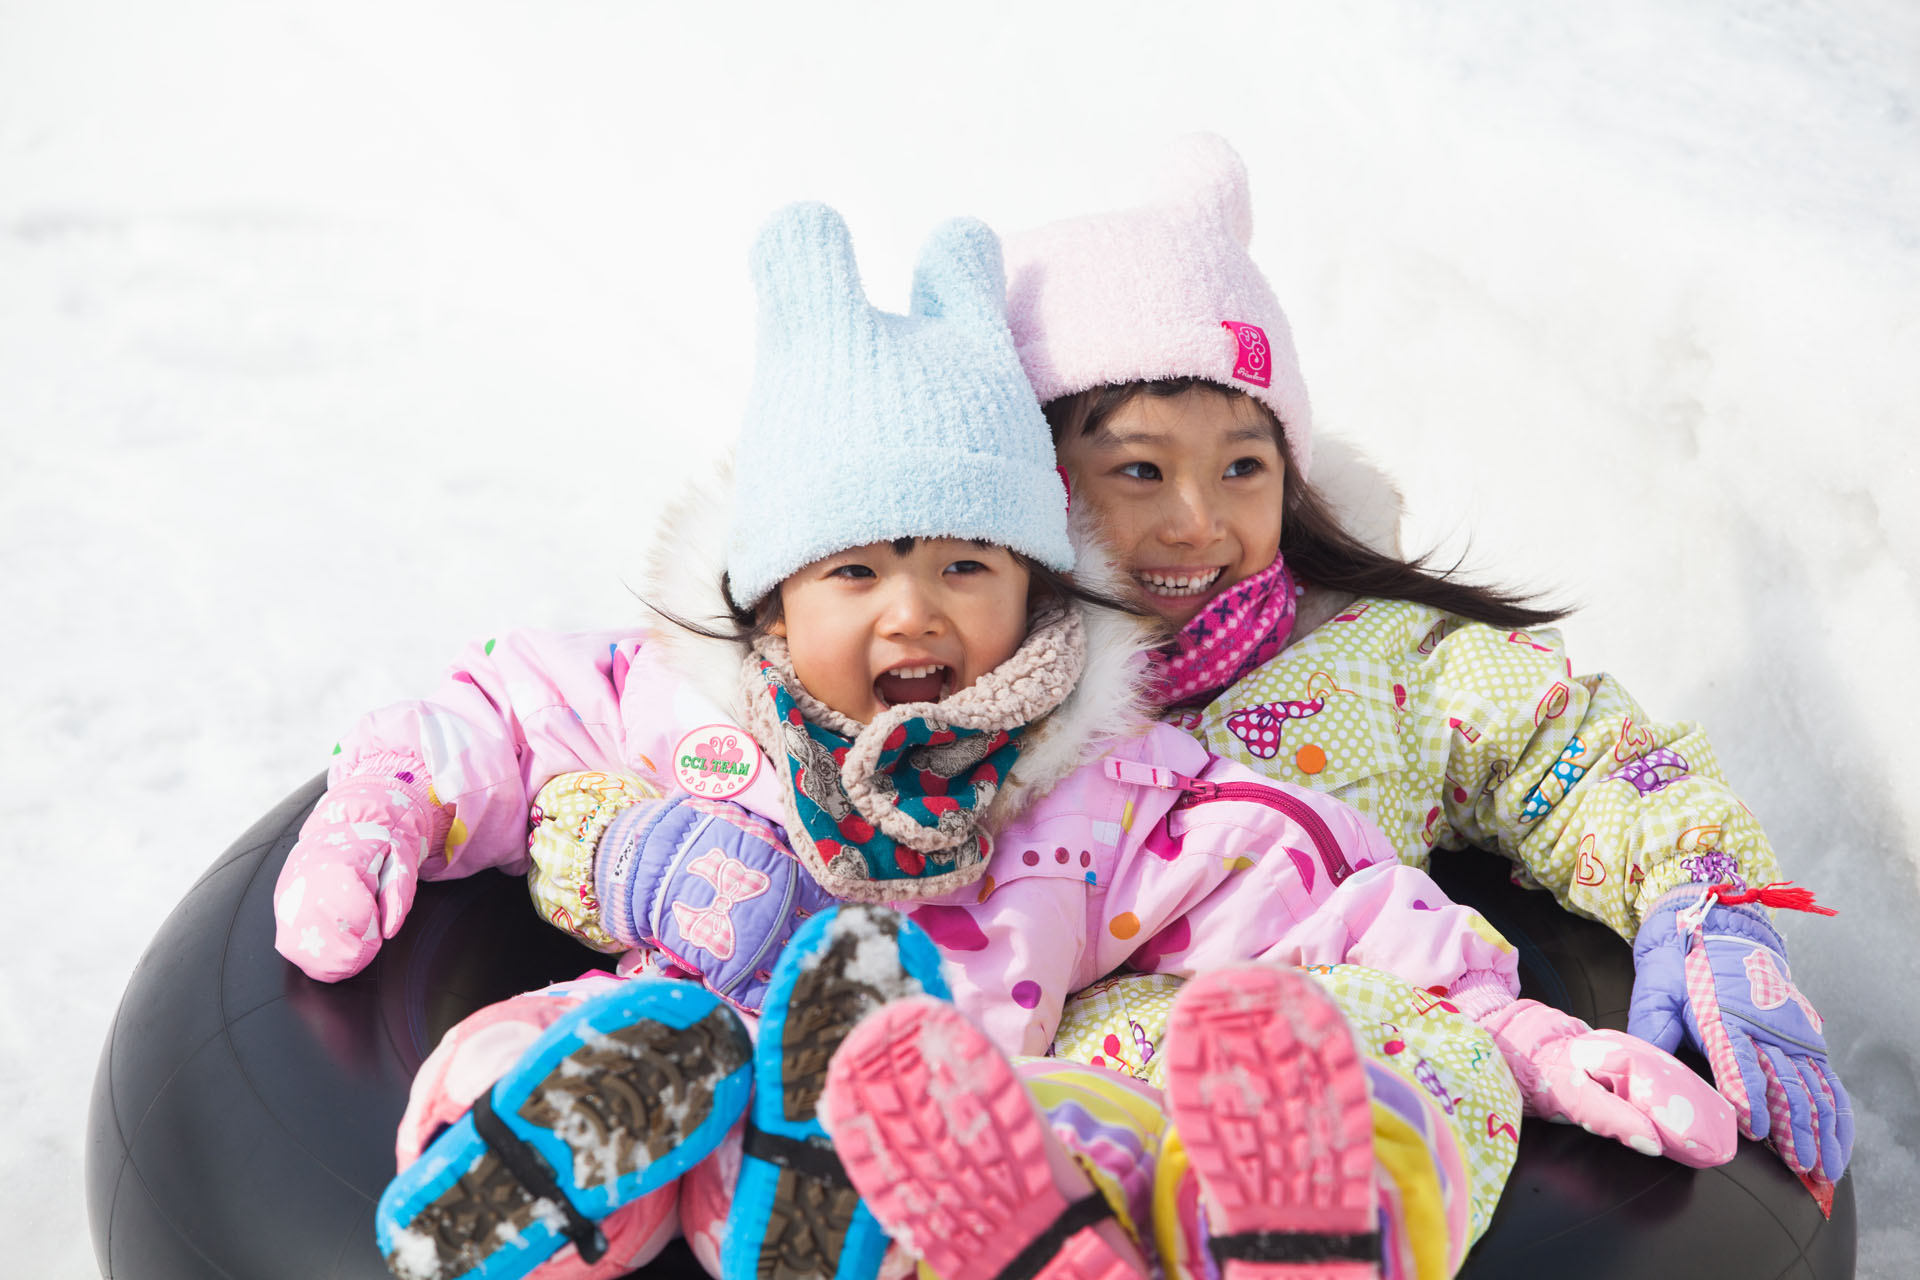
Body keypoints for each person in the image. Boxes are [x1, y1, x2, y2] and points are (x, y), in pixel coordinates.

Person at [289, 199, 1736, 1280]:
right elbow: (498, 711)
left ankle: (1162, 1219)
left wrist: (1539, 1034)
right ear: (775, 602)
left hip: (969, 1112)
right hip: (711, 1062)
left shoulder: (1104, 773)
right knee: (602, 1052)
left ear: (1037, 584)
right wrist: (389, 810)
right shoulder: (688, 710)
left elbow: (1329, 896)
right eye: (858, 572)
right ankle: (520, 1175)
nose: (914, 614)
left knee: (1045, 1120)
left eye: (965, 570)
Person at [996, 131, 1852, 1196]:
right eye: (1137, 468)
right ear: (1039, 475)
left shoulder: (1376, 658)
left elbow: (1577, 750)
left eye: (1243, 465)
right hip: (1061, 1126)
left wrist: (1704, 894)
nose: (1197, 519)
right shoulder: (978, 692)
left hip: (1356, 1090)